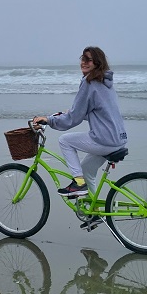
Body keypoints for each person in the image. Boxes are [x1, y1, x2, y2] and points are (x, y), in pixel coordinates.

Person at [33, 46, 128, 210]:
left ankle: (78, 184)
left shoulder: (89, 82)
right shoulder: (105, 82)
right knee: (86, 171)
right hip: (119, 139)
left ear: (97, 62)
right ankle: (93, 212)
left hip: (105, 139)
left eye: (88, 59)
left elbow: (73, 119)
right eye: (82, 58)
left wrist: (48, 120)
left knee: (65, 141)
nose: (83, 62)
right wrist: (67, 114)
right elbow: (95, 111)